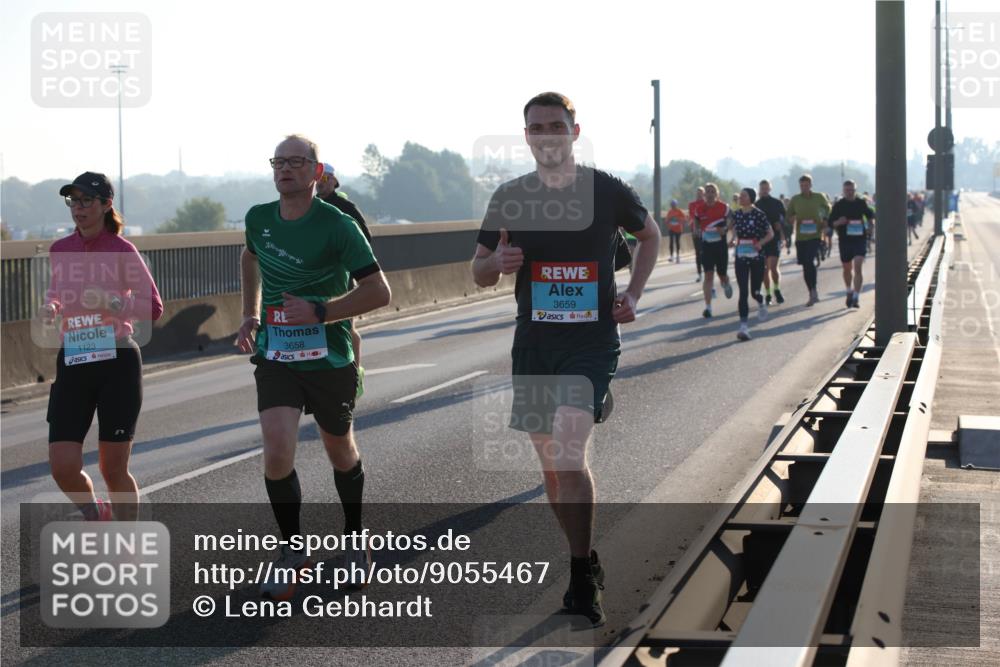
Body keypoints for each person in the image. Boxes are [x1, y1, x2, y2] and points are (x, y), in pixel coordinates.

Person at [472, 92, 659, 627]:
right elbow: (478, 270)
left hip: (591, 342)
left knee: (571, 454)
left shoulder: (606, 190)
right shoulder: (509, 197)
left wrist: (635, 295)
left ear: (575, 131)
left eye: (557, 126)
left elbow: (650, 236)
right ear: (526, 136)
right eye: (538, 128)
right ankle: (586, 557)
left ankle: (580, 573)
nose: (548, 136)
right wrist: (498, 263)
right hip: (534, 342)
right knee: (553, 468)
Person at [236, 134, 391, 600]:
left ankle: (354, 536)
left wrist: (322, 310)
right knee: (277, 446)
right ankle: (292, 551)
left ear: (316, 171)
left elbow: (379, 292)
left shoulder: (338, 224)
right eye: (278, 162)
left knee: (339, 449)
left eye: (296, 162)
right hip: (278, 355)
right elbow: (249, 256)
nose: (285, 169)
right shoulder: (258, 218)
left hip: (330, 355)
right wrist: (251, 311)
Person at [41, 172, 163, 522]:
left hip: (117, 361)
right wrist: (52, 306)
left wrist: (112, 302)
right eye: (72, 201)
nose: (78, 208)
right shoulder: (60, 249)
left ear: (106, 204)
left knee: (112, 468)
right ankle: (97, 515)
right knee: (62, 465)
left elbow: (153, 306)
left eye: (86, 201)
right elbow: (57, 291)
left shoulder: (122, 250)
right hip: (74, 359)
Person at [317, 162, 374, 396]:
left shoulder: (345, 207)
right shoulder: (310, 206)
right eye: (317, 180)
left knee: (347, 326)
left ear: (333, 181)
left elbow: (365, 239)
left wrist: (349, 262)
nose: (321, 184)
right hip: (317, 278)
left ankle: (354, 374)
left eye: (325, 179)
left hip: (342, 276)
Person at [727, 187, 774, 340]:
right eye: (740, 195)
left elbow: (770, 234)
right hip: (741, 256)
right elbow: (734, 231)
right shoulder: (737, 214)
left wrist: (760, 243)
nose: (740, 197)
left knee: (755, 292)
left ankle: (761, 302)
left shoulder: (759, 214)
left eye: (743, 195)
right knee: (743, 292)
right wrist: (733, 240)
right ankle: (744, 326)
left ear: (751, 198)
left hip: (756, 257)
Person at [828, 179, 876, 308]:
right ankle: (849, 290)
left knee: (858, 266)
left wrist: (871, 227)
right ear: (843, 191)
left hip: (859, 239)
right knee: (847, 269)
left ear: (855, 190)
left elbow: (871, 215)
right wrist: (839, 222)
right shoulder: (838, 205)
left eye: (852, 190)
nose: (849, 192)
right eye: (847, 190)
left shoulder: (861, 203)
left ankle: (856, 296)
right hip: (845, 240)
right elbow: (830, 223)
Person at [785, 174, 831, 306]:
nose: (804, 188)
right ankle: (811, 291)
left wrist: (825, 220)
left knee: (809, 261)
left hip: (815, 235)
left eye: (806, 185)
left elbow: (828, 209)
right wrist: (791, 219)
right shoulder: (795, 199)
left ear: (811, 185)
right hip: (801, 237)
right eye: (801, 186)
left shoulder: (819, 197)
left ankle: (814, 290)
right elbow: (789, 216)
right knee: (805, 265)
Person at [691, 182, 733, 318]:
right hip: (706, 246)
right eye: (707, 192)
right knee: (708, 275)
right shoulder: (699, 208)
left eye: (712, 192)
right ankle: (708, 308)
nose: (709, 194)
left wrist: (725, 229)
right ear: (704, 195)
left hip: (720, 246)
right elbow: (696, 220)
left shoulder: (724, 207)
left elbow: (732, 220)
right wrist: (697, 229)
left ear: (717, 194)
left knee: (722, 274)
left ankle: (726, 282)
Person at [755, 179, 786, 305]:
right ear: (759, 190)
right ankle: (768, 293)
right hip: (761, 240)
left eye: (766, 188)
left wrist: (781, 224)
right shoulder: (756, 205)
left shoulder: (777, 203)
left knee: (773, 267)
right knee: (764, 270)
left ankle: (777, 289)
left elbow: (784, 217)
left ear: (770, 189)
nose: (764, 190)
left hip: (774, 238)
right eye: (762, 188)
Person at [687, 187, 706, 282]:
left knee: (705, 252)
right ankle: (699, 273)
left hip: (706, 231)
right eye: (698, 193)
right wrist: (695, 228)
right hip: (696, 231)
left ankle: (707, 271)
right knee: (698, 253)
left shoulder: (707, 204)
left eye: (701, 193)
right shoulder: (692, 204)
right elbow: (692, 216)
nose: (699, 194)